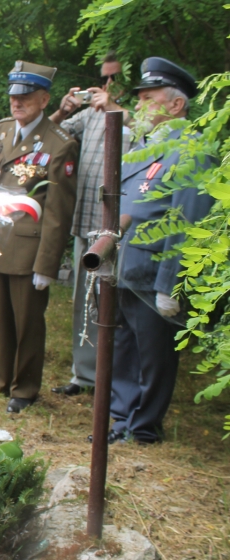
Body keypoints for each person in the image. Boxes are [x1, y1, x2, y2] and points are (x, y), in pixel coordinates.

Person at [109, 58, 213, 444]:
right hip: (128, 268)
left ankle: (143, 427)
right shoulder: (148, 148)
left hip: (154, 274)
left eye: (147, 98)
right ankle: (122, 419)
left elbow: (188, 220)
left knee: (154, 355)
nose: (138, 106)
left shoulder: (190, 150)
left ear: (176, 105)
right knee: (125, 349)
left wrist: (172, 283)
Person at [0, 61, 78, 413]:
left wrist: (47, 265)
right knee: (0, 318)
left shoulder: (59, 143)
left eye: (26, 97)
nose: (17, 102)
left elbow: (58, 211)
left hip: (30, 248)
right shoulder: (2, 130)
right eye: (14, 96)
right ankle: (1, 380)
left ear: (44, 100)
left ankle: (25, 388)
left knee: (27, 322)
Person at [48, 51, 131, 397]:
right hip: (88, 221)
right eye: (103, 78)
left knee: (120, 305)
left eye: (115, 77)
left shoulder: (140, 114)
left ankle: (118, 380)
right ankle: (84, 377)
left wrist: (115, 109)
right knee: (86, 302)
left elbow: (151, 137)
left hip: (123, 226)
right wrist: (63, 110)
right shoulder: (91, 114)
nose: (107, 84)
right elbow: (48, 135)